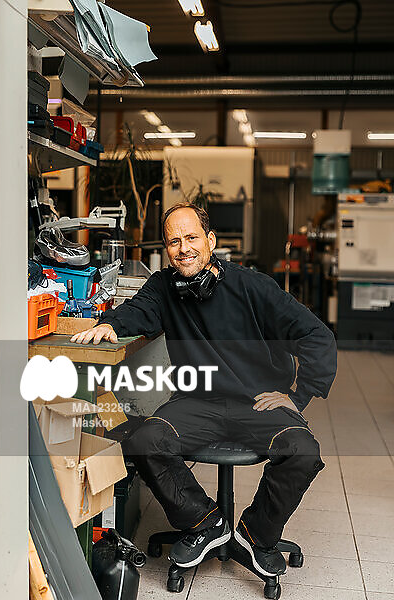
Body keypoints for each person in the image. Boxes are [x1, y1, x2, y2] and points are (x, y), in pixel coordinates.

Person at [71, 203, 337, 577]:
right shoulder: (163, 286)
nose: (184, 248)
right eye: (174, 241)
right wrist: (110, 325)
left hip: (259, 403)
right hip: (196, 402)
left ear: (210, 240)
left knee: (303, 452)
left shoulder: (253, 286)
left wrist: (298, 395)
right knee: (145, 441)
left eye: (192, 237)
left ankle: (254, 535)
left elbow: (316, 335)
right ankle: (205, 523)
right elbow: (136, 311)